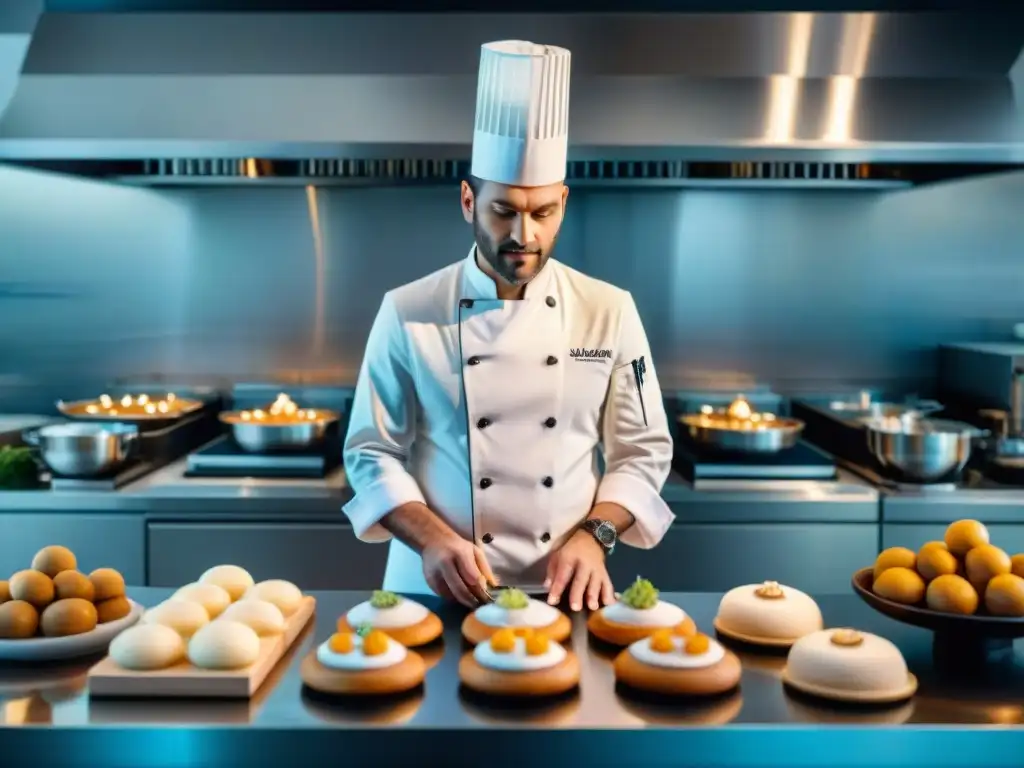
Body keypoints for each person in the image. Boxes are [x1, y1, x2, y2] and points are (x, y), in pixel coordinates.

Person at [342, 40, 674, 612]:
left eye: (543, 212)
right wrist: (432, 539)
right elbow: (371, 452)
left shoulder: (611, 311)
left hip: (569, 590)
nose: (524, 234)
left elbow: (643, 450)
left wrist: (597, 537)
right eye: (504, 211)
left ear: (564, 203)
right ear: (469, 201)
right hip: (433, 587)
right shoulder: (407, 310)